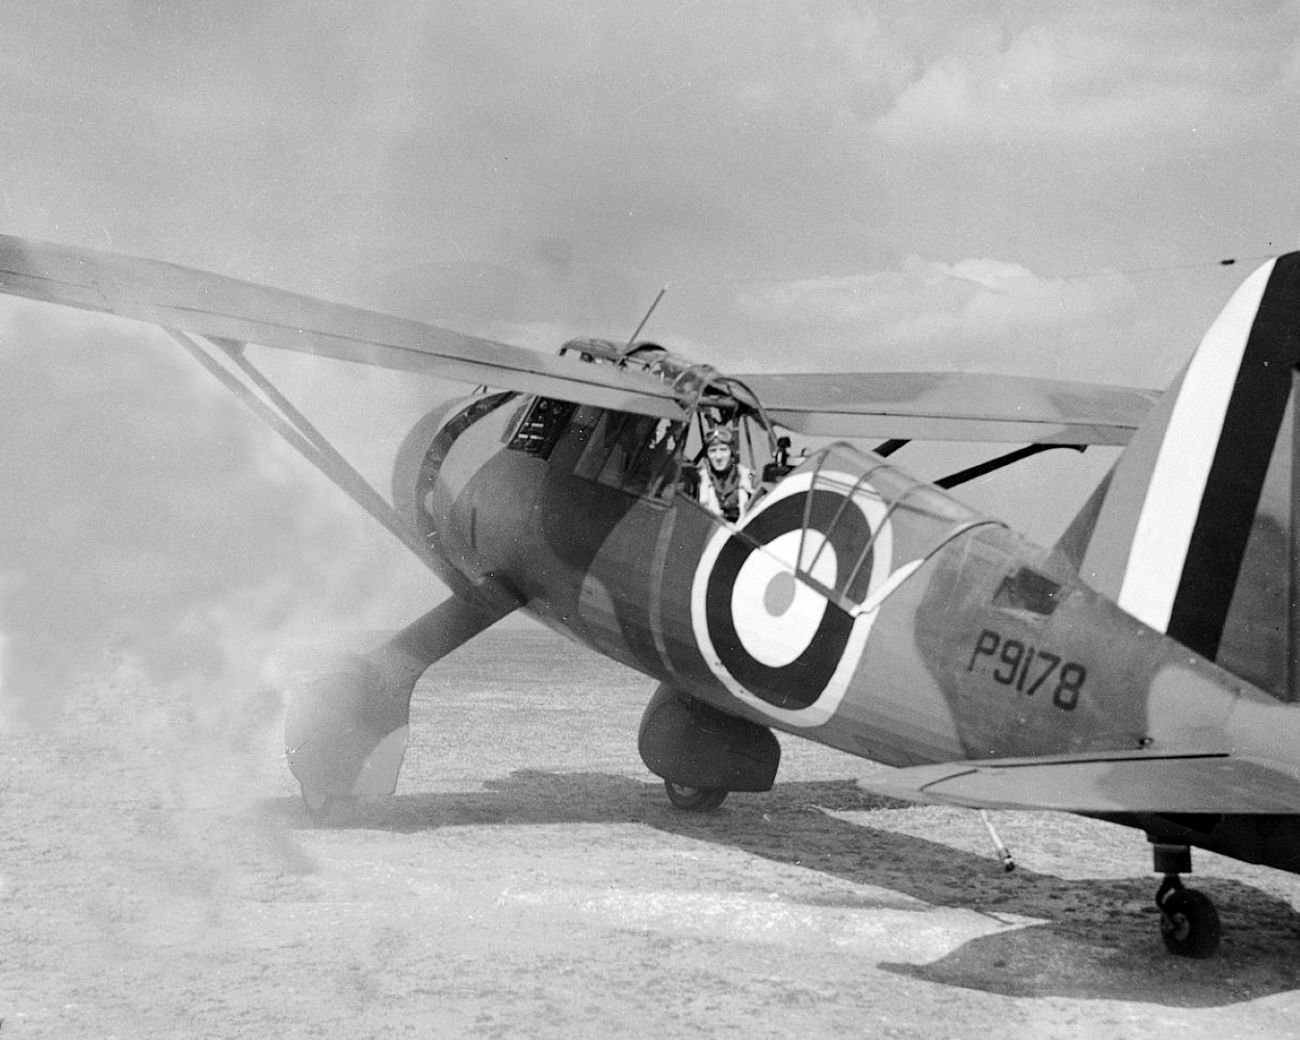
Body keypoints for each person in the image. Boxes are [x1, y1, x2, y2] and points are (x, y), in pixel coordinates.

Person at [696, 425, 754, 522]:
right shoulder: (699, 480)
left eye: (723, 450)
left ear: (732, 453)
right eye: (712, 451)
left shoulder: (748, 477)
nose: (718, 457)